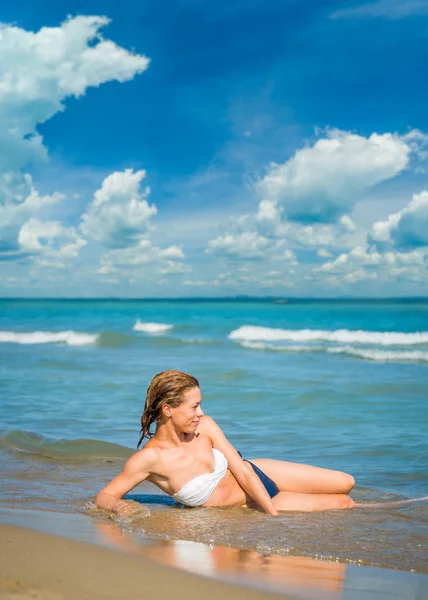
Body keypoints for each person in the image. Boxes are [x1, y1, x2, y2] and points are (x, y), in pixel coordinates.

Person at [95, 370, 356, 517]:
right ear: (168, 410)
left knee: (346, 483)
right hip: (248, 503)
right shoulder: (149, 460)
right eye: (195, 406)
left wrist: (271, 513)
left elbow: (242, 470)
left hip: (259, 474)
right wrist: (121, 507)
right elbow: (105, 496)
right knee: (346, 504)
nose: (201, 412)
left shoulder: (204, 426)